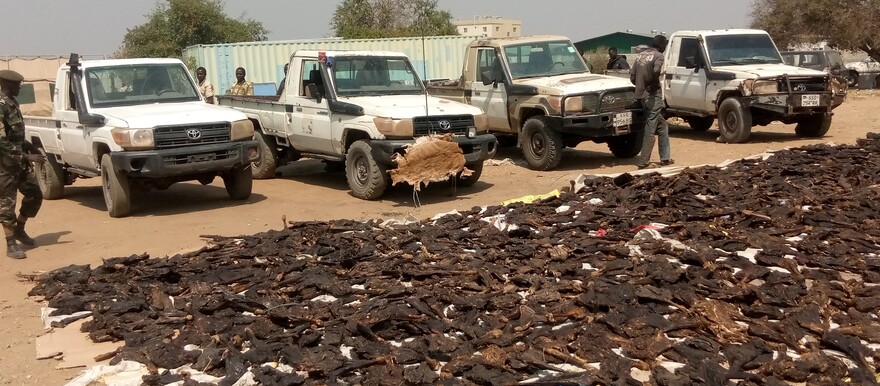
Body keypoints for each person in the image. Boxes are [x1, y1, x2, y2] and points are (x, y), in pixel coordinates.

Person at [0, 70, 46, 259]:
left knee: (35, 194)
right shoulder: (1, 106)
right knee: (7, 204)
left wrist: (30, 147)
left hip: (18, 162)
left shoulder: (13, 104)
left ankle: (20, 228)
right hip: (5, 165)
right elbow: (1, 140)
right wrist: (26, 157)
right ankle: (11, 244)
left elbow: (16, 135)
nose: (20, 88)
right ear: (7, 85)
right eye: (17, 85)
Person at [631, 35, 673, 169]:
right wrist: (652, 83)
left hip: (641, 97)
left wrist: (640, 86)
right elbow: (656, 70)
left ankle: (665, 158)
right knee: (650, 128)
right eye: (665, 45)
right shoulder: (659, 56)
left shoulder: (640, 56)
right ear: (661, 45)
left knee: (662, 126)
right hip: (652, 97)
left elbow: (632, 77)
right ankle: (643, 162)